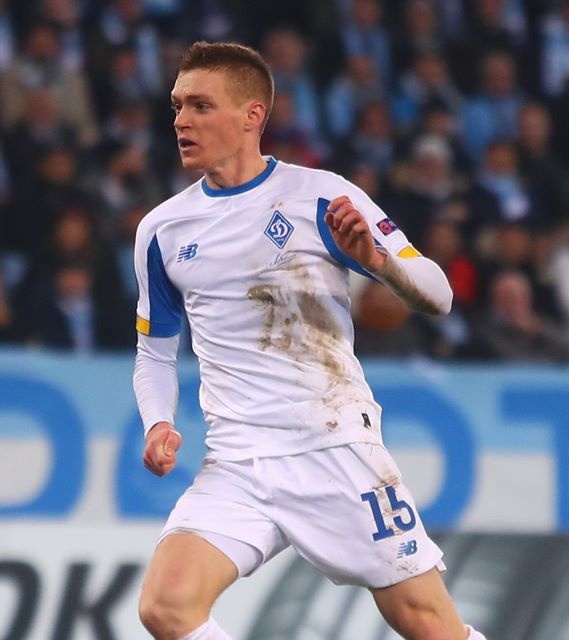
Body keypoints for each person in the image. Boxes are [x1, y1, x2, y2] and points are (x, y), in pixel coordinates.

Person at [132, 42, 486, 640]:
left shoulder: (320, 196)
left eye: (200, 106)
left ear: (252, 115)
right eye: (177, 106)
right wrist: (156, 422)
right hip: (237, 459)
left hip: (331, 446)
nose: (182, 121)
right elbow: (154, 352)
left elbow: (438, 294)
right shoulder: (162, 229)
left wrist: (377, 261)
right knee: (166, 607)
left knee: (429, 625)